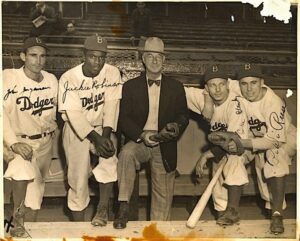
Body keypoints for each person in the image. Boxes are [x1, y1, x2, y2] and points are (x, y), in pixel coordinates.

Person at [113, 37, 189, 229]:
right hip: (140, 139)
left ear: (164, 60)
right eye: (150, 56)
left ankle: (158, 230)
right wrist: (142, 135)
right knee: (127, 154)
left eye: (159, 57)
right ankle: (123, 205)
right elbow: (124, 119)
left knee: (162, 198)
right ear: (143, 59)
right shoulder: (130, 86)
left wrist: (175, 127)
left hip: (164, 142)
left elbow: (183, 116)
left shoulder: (176, 87)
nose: (155, 61)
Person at [58, 35, 122, 225]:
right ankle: (78, 225)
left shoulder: (112, 73)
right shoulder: (68, 77)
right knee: (77, 179)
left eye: (102, 57)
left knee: (109, 160)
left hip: (102, 127)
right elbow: (74, 115)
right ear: (84, 55)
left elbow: (111, 107)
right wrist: (96, 139)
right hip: (76, 129)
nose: (98, 61)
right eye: (93, 56)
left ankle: (102, 210)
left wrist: (106, 138)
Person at [229, 64, 297, 234]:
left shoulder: (273, 103)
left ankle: (277, 215)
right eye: (244, 84)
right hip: (258, 139)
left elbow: (273, 141)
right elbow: (216, 85)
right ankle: (231, 209)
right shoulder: (238, 87)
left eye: (253, 83)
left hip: (285, 139)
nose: (249, 88)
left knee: (274, 156)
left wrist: (240, 142)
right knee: (240, 161)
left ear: (262, 82)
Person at [3, 37, 58, 237]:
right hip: (18, 139)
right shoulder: (9, 77)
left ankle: (20, 230)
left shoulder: (51, 80)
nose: (38, 60)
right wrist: (12, 143)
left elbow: (56, 113)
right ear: (22, 56)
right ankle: (16, 220)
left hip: (44, 142)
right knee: (21, 171)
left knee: (35, 195)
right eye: (33, 55)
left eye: (42, 56)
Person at [185, 65, 250, 226]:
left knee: (233, 160)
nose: (218, 89)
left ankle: (233, 209)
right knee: (218, 177)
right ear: (206, 88)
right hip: (222, 146)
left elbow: (234, 143)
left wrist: (206, 155)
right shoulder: (202, 96)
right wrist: (207, 100)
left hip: (248, 143)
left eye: (221, 84)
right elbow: (177, 90)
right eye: (213, 85)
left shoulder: (235, 103)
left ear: (228, 84)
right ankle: (223, 216)